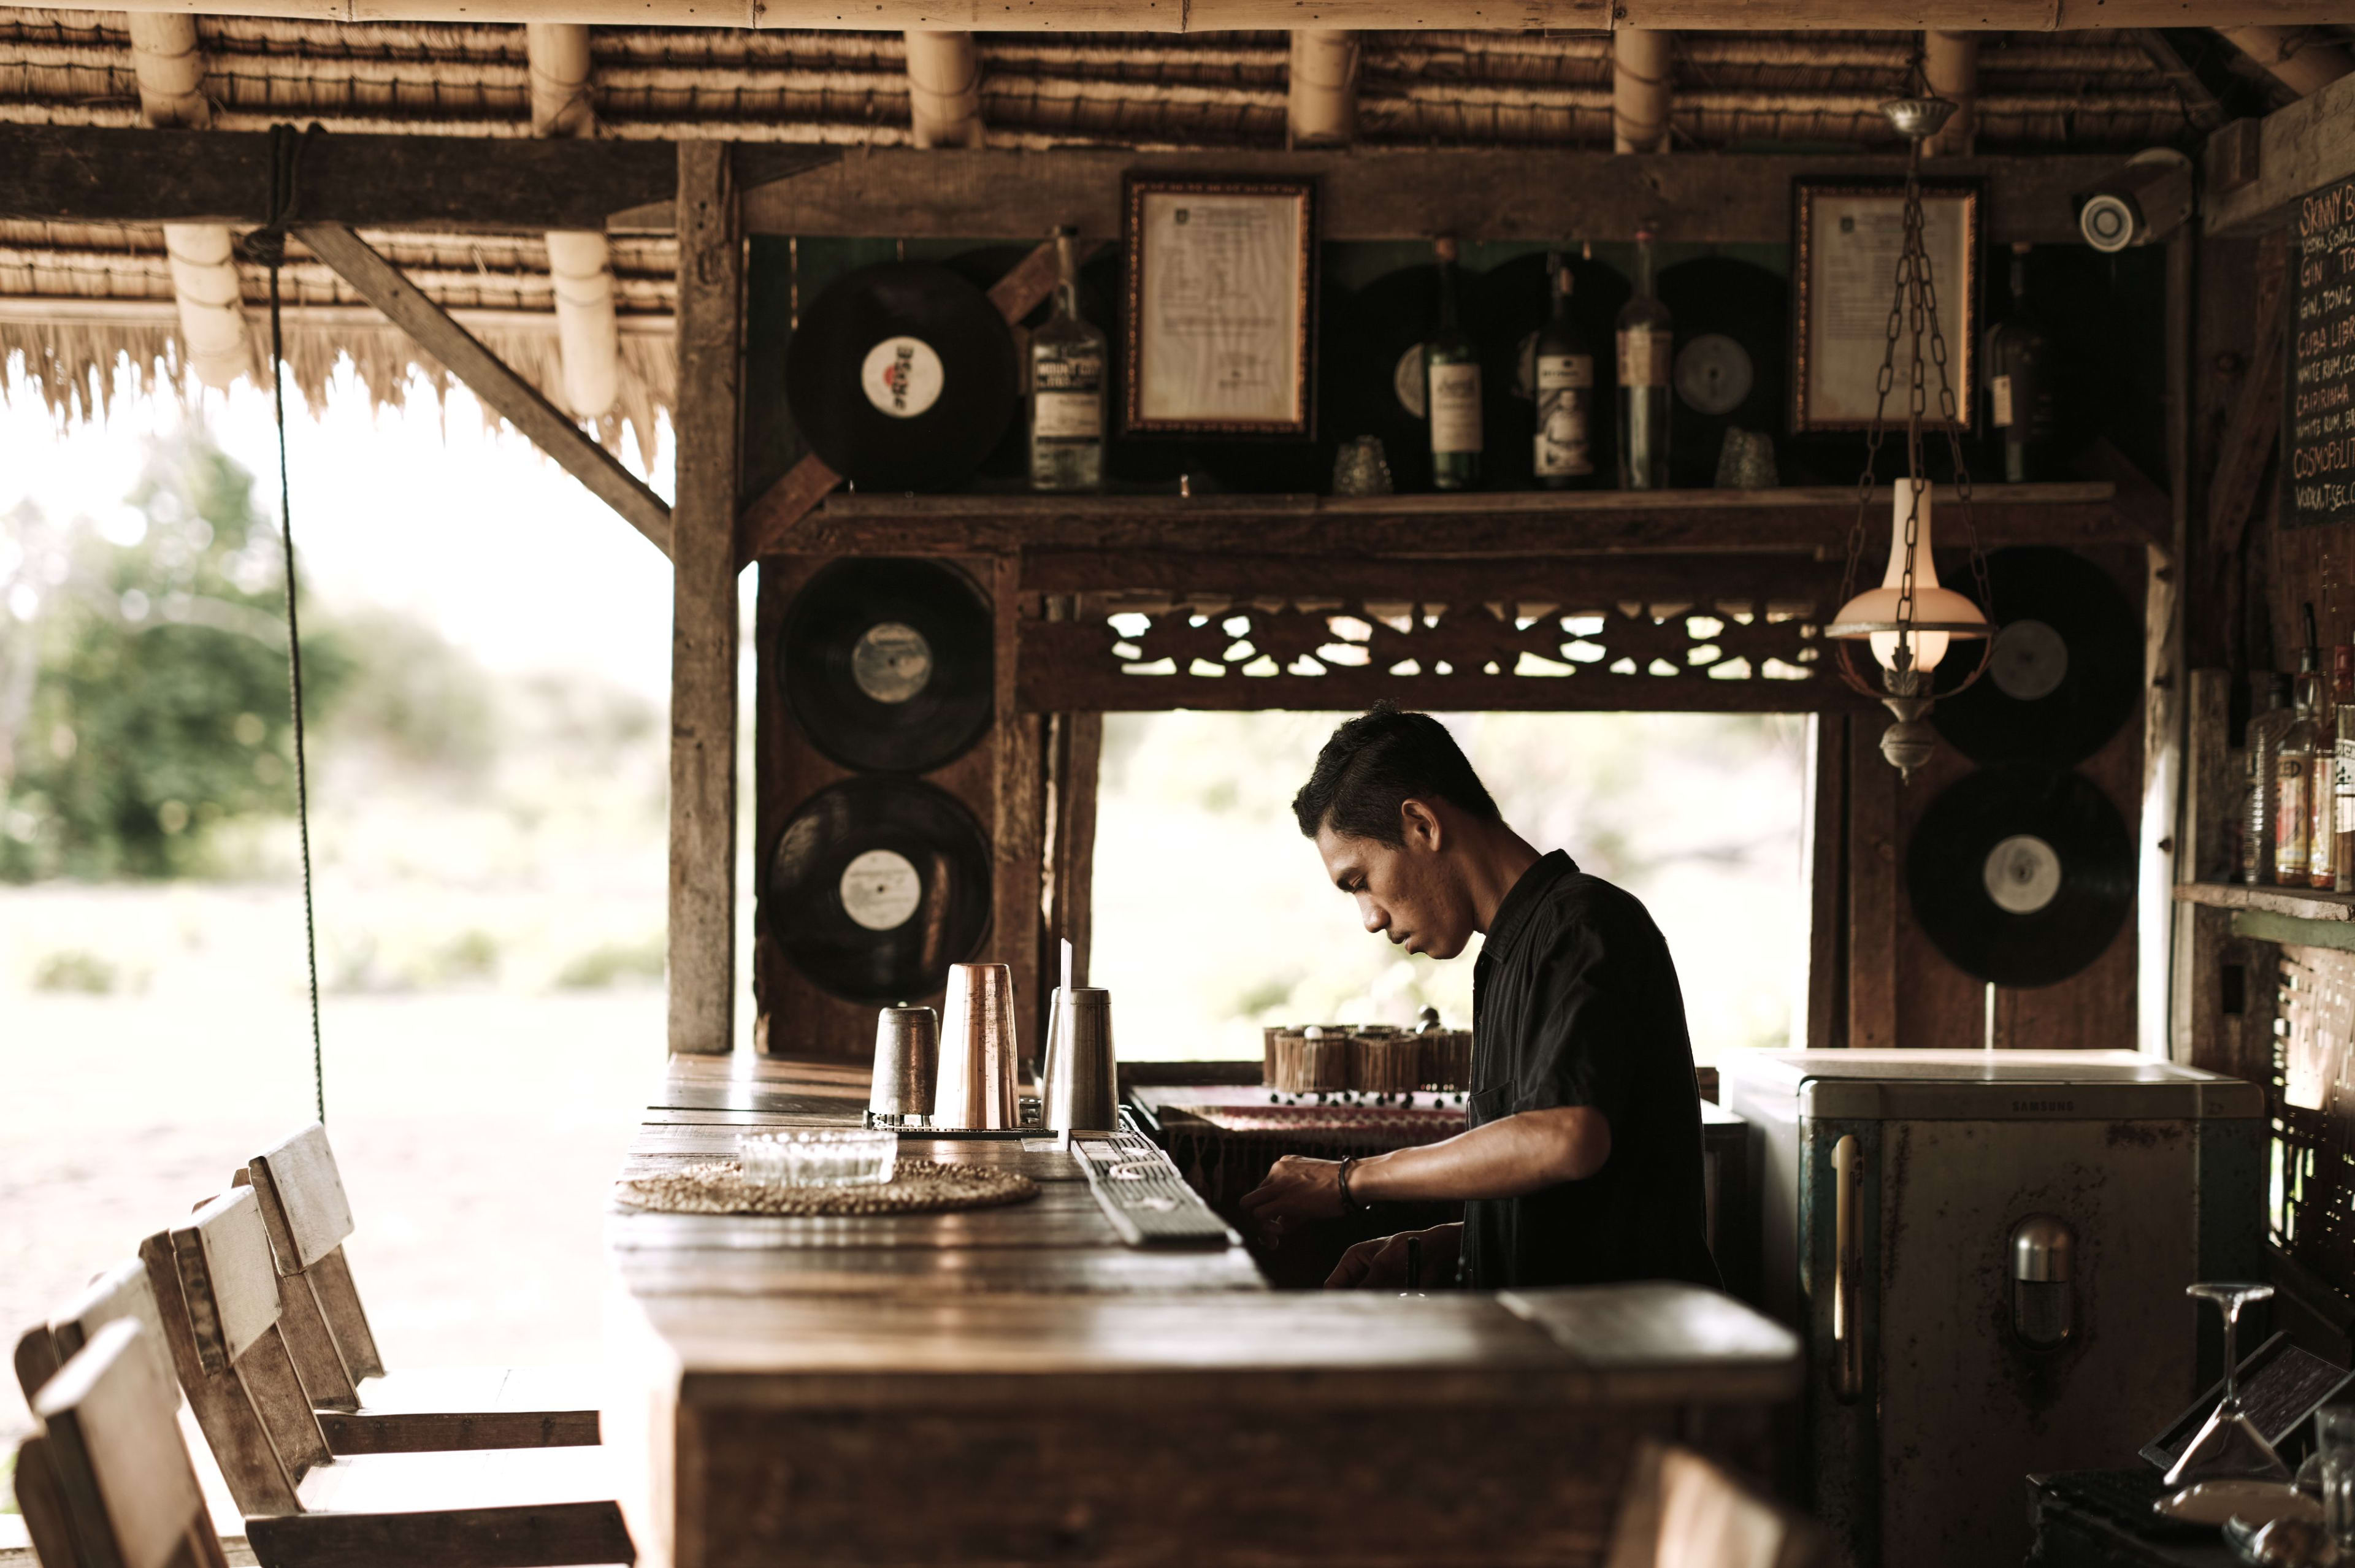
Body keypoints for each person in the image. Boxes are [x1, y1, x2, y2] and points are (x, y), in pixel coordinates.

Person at [1239, 702, 1720, 1293]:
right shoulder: (1510, 953)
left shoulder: (1584, 924)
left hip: (1631, 1363)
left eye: (1359, 880)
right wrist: (1443, 1244)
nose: (1369, 918)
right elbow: (1565, 1194)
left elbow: (1567, 1138)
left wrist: (1350, 1179)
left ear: (1422, 825)